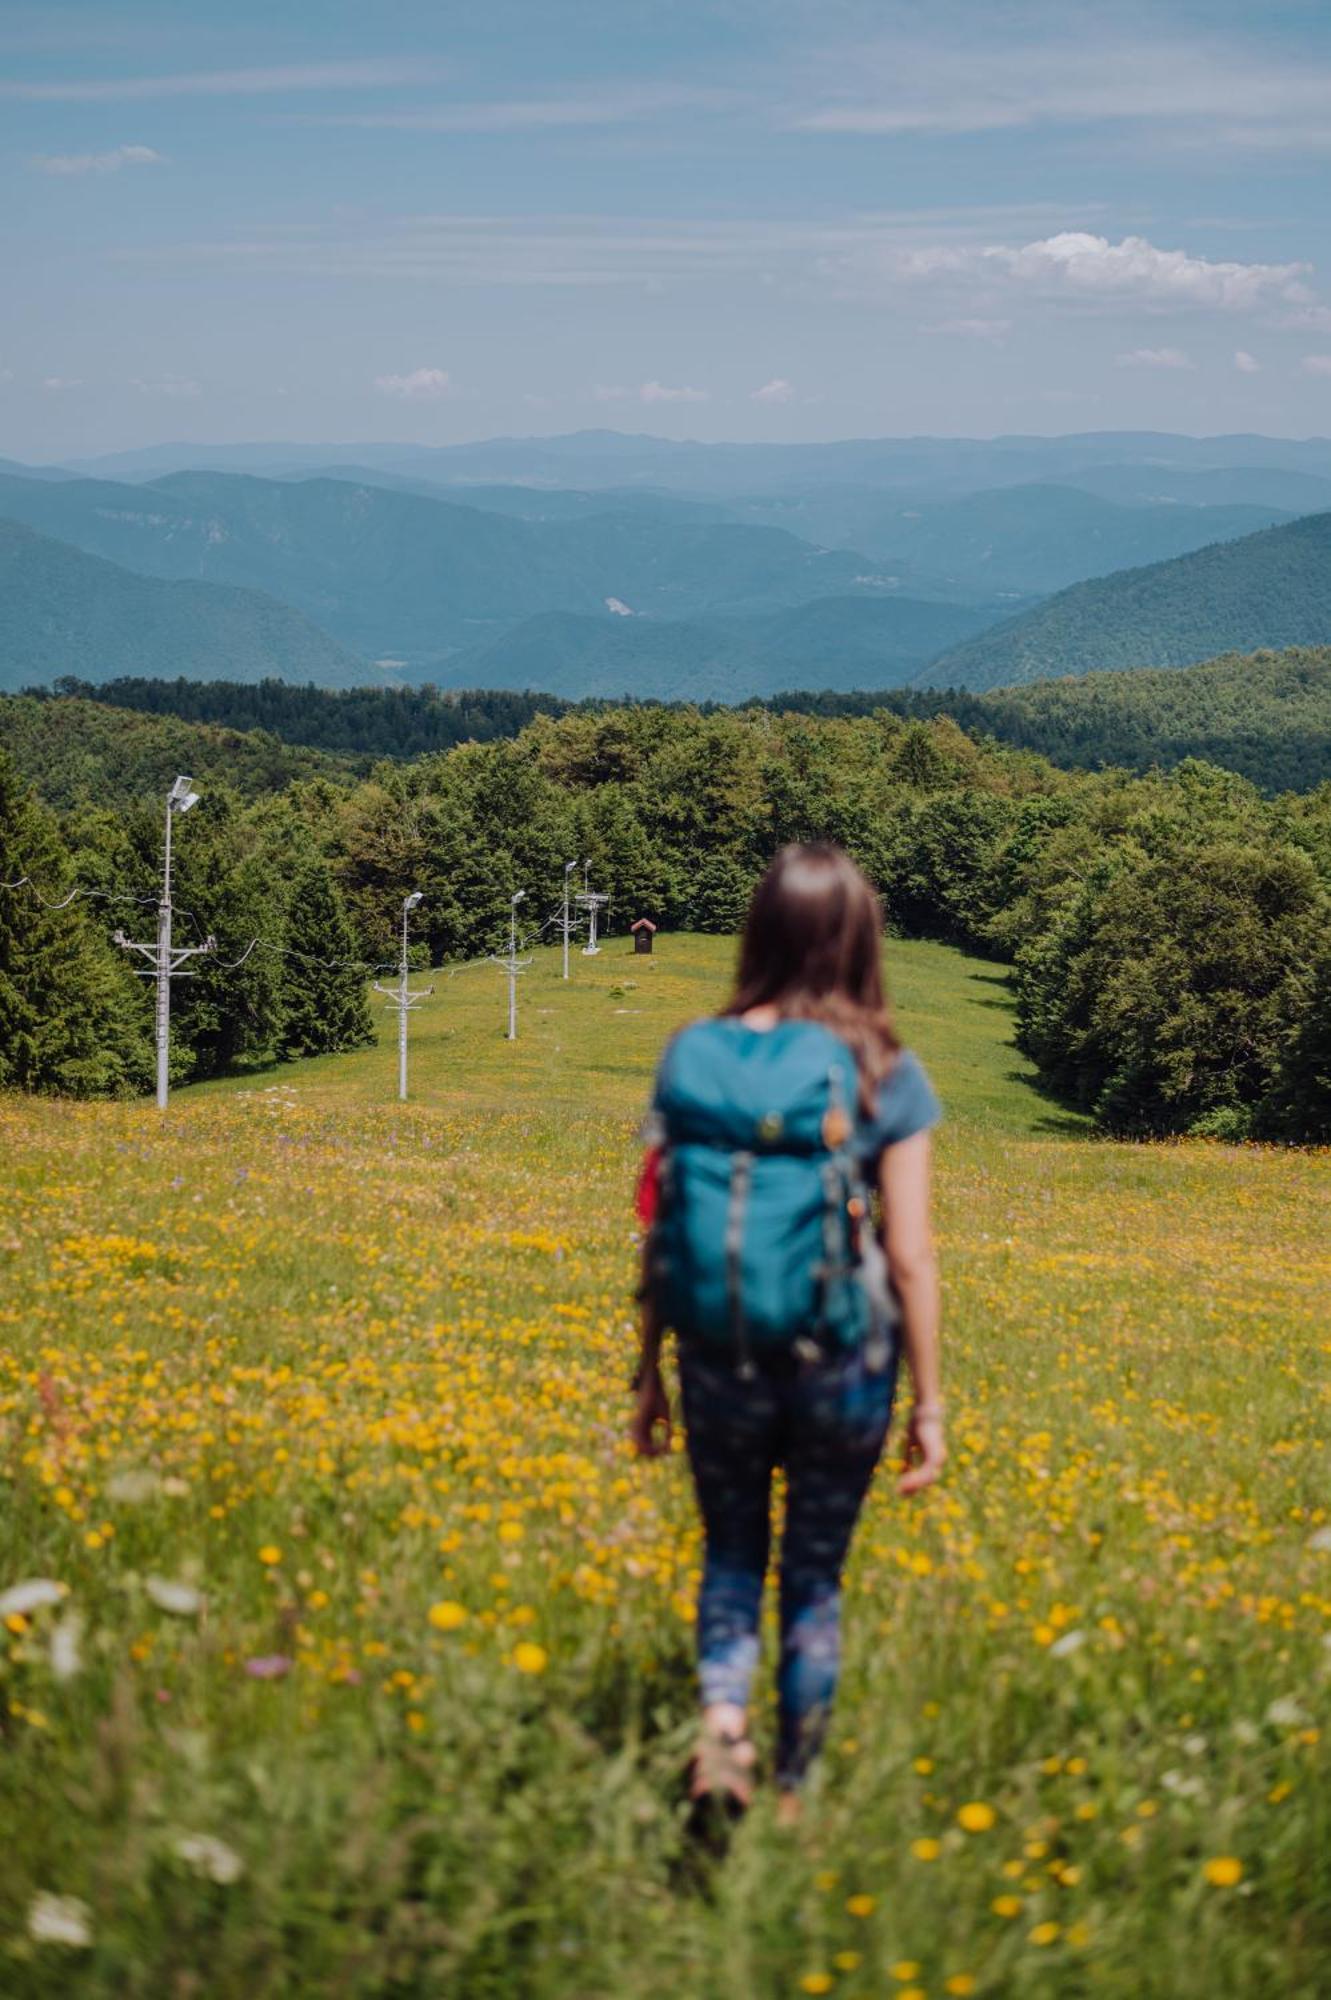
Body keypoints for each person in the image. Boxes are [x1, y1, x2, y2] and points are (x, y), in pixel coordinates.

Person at [630, 843, 945, 1823]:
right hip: (841, 1365)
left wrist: (647, 1376)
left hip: (716, 1357)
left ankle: (723, 1724)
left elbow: (657, 1229)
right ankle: (793, 1797)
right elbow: (906, 1257)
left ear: (757, 932)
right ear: (858, 941)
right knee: (810, 1578)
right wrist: (928, 1404)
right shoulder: (882, 1069)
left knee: (730, 1553)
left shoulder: (696, 1052)